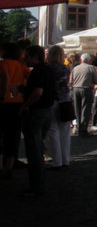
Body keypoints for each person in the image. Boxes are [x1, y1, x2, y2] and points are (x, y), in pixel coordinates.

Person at [20, 46, 57, 196]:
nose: (25, 60)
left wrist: (25, 105)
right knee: (38, 147)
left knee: (33, 149)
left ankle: (37, 186)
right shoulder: (49, 70)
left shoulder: (38, 71)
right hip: (47, 111)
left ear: (35, 56)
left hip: (37, 111)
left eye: (27, 56)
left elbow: (38, 92)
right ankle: (39, 183)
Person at [0, 42, 29, 179]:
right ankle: (9, 166)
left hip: (4, 102)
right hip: (17, 102)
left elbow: (5, 78)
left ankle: (2, 165)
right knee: (13, 135)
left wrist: (3, 95)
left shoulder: (3, 64)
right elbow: (28, 78)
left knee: (2, 135)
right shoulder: (21, 65)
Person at [46, 45, 73, 169]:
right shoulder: (65, 68)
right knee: (65, 131)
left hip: (52, 100)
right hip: (65, 100)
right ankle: (65, 159)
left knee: (53, 130)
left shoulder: (48, 68)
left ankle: (57, 161)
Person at [69, 53, 97, 137]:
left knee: (77, 109)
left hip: (75, 89)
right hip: (86, 89)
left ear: (81, 60)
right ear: (88, 60)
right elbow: (96, 81)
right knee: (86, 109)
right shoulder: (91, 68)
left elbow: (71, 80)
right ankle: (83, 129)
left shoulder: (75, 68)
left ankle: (78, 127)